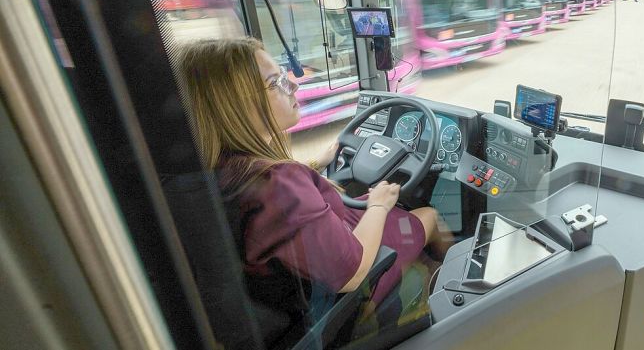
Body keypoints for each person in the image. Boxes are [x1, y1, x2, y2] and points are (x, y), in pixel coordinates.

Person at [174, 37, 450, 325]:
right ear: (235, 105)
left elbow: (287, 210)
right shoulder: (279, 183)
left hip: (323, 253)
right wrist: (379, 205)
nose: (293, 85)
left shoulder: (225, 169)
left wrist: (317, 163)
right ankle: (453, 298)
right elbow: (353, 273)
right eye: (276, 82)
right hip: (353, 279)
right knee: (428, 215)